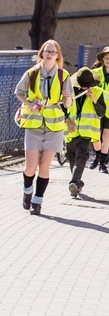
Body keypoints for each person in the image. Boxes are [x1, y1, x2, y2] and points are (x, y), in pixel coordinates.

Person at [15, 40, 73, 215]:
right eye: (46, 51)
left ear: (57, 56)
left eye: (53, 52)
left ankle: (37, 201)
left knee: (44, 165)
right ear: (41, 53)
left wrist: (68, 97)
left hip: (54, 125)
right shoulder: (31, 73)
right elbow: (19, 92)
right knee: (31, 166)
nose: (49, 54)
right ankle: (27, 190)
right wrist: (29, 104)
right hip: (34, 123)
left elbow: (68, 104)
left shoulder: (63, 76)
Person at [65, 67, 107, 198]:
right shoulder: (70, 91)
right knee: (71, 156)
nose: (85, 88)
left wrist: (93, 99)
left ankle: (73, 183)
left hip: (87, 130)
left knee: (81, 156)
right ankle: (77, 183)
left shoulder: (98, 92)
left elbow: (102, 112)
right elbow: (62, 106)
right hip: (71, 129)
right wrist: (67, 120)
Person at [89, 46, 109, 174]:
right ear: (103, 59)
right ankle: (98, 156)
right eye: (106, 58)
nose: (108, 60)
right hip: (96, 107)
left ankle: (103, 163)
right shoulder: (96, 73)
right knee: (95, 135)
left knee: (106, 135)